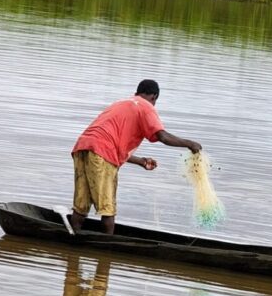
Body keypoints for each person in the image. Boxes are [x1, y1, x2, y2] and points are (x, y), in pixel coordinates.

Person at [70, 79, 201, 234]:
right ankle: (107, 252)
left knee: (81, 205)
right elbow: (163, 136)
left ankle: (72, 242)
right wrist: (190, 144)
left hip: (82, 147)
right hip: (101, 153)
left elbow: (111, 145)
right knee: (107, 209)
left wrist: (140, 161)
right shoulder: (146, 107)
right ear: (154, 97)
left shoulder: (122, 102)